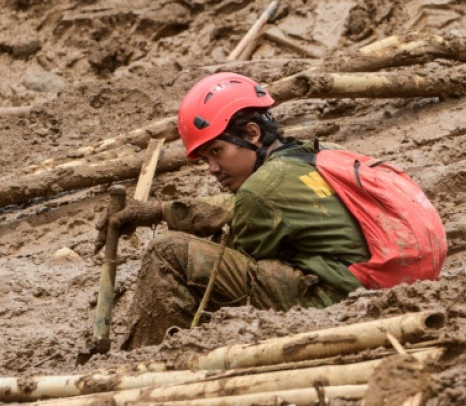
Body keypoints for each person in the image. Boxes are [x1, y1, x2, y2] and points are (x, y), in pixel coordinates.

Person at [111, 72, 441, 348]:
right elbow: (243, 207)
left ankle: (150, 358)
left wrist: (177, 232)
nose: (212, 168)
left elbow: (240, 248)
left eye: (216, 151)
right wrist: (160, 211)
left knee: (168, 253)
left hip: (344, 301)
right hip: (392, 282)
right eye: (205, 160)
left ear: (252, 133)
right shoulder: (312, 155)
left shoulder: (261, 189)